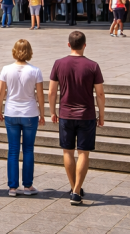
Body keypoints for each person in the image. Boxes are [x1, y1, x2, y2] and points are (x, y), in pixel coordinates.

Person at [49, 31, 105, 207]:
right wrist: (101, 114)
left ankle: (74, 188)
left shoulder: (59, 64)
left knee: (67, 151)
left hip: (65, 113)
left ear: (68, 45)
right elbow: (100, 93)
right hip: (86, 114)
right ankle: (77, 189)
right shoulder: (93, 66)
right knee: (83, 153)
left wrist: (52, 111)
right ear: (84, 45)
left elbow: (51, 92)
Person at [0, 39, 45, 196]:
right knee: (28, 149)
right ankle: (28, 186)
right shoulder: (35, 71)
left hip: (11, 112)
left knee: (13, 150)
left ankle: (12, 187)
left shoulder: (6, 69)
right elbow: (40, 95)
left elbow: (0, 92)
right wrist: (42, 114)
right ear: (29, 51)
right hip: (30, 113)